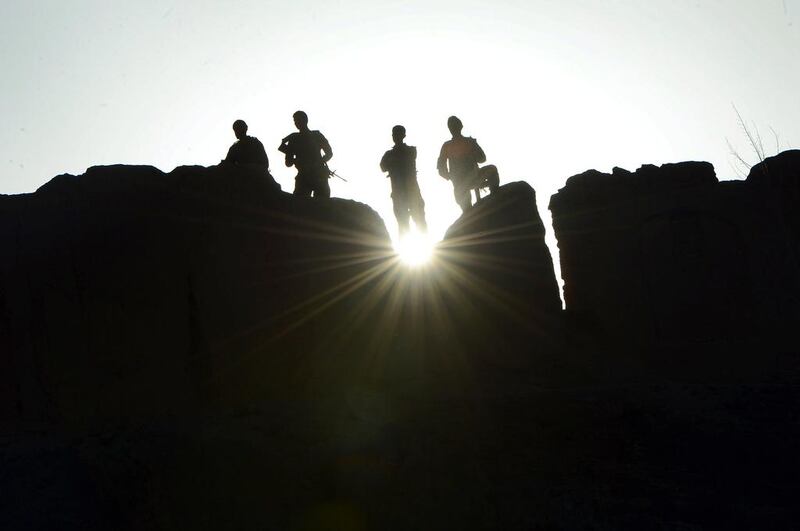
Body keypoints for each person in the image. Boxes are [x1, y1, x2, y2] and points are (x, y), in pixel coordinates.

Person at [380, 125, 427, 235]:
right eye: (394, 134)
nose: (395, 136)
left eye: (397, 134)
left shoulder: (410, 151)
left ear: (403, 135)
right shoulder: (391, 154)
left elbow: (386, 165)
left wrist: (393, 163)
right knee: (404, 226)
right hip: (401, 194)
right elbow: (382, 167)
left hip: (410, 193)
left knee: (419, 224)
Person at [437, 115, 486, 212]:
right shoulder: (447, 146)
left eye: (455, 125)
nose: (453, 128)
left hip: (473, 177)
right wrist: (450, 176)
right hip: (460, 183)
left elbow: (482, 158)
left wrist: (473, 153)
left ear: (460, 126)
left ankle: (493, 197)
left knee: (492, 170)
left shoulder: (469, 142)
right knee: (467, 208)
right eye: (452, 126)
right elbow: (441, 167)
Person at [278, 111, 333, 198]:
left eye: (298, 120)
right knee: (300, 205)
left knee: (322, 205)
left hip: (318, 176)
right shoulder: (294, 138)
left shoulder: (316, 135)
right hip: (304, 177)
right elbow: (288, 163)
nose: (296, 123)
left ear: (305, 120)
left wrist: (318, 163)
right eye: (295, 121)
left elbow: (329, 153)